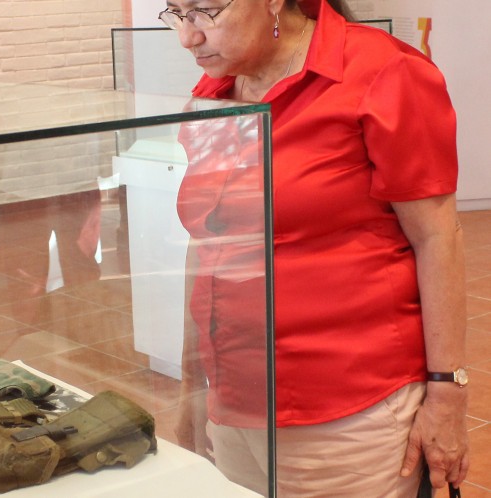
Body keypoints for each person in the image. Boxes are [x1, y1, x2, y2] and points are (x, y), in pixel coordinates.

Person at [161, 0, 470, 496]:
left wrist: (447, 393)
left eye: (205, 11)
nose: (187, 37)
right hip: (235, 397)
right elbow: (208, 246)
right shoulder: (213, 93)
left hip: (347, 407)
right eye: (176, 12)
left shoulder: (381, 72)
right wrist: (191, 385)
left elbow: (437, 237)